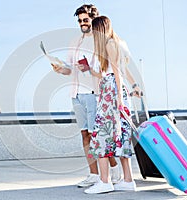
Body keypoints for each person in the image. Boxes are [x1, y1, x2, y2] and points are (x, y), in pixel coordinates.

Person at [52, 4, 121, 187]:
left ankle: (113, 169)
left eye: (85, 20)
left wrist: (90, 69)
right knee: (85, 135)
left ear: (93, 19)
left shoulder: (102, 41)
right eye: (80, 21)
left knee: (97, 135)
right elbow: (69, 69)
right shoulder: (75, 42)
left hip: (94, 93)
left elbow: (108, 69)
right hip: (77, 94)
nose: (82, 24)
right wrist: (61, 69)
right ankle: (93, 174)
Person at [84, 16, 140, 194]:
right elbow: (122, 70)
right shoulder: (117, 43)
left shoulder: (108, 43)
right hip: (117, 89)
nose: (93, 34)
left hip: (112, 92)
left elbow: (116, 71)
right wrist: (133, 86)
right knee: (121, 134)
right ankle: (128, 180)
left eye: (94, 30)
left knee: (101, 133)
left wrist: (119, 98)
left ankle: (105, 181)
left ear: (99, 29)